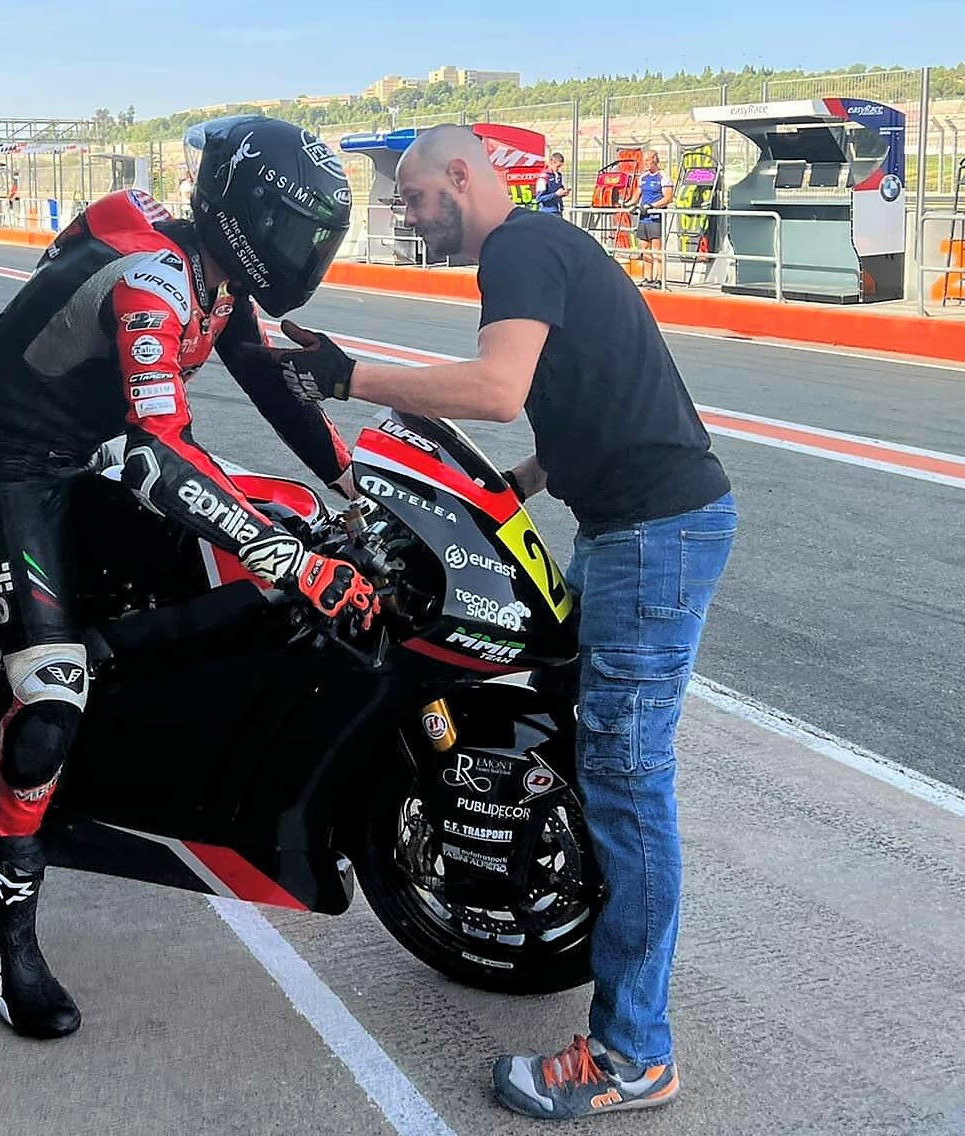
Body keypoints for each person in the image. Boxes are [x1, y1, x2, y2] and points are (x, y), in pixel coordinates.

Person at [243, 123, 733, 1121]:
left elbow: (501, 389)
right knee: (576, 729)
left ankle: (633, 1051)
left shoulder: (518, 249)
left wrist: (348, 377)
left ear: (462, 177)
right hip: (632, 523)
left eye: (416, 197)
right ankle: (564, 931)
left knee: (627, 776)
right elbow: (588, 388)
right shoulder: (548, 251)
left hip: (655, 534)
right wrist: (510, 488)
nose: (409, 216)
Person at [0, 115, 372, 1039]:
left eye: (316, 238)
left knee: (250, 566)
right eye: (292, 229)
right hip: (8, 468)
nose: (303, 253)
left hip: (78, 458)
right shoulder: (154, 280)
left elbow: (269, 382)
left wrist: (347, 491)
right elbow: (159, 456)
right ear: (243, 212)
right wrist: (295, 559)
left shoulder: (213, 279)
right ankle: (0, 928)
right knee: (52, 703)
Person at [628, 150, 671, 285]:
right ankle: (648, 278)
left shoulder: (663, 176)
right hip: (644, 217)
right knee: (644, 248)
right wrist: (628, 203)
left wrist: (652, 206)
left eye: (648, 160)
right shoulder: (643, 177)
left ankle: (659, 279)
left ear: (655, 160)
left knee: (656, 249)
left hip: (656, 217)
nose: (645, 163)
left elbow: (668, 198)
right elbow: (637, 195)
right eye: (644, 160)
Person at [536, 152, 568, 216]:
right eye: (558, 166)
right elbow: (539, 199)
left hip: (558, 211)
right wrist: (556, 194)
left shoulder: (558, 175)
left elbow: (558, 192)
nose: (559, 169)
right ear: (552, 163)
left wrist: (563, 193)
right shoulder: (544, 177)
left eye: (560, 166)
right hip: (548, 213)